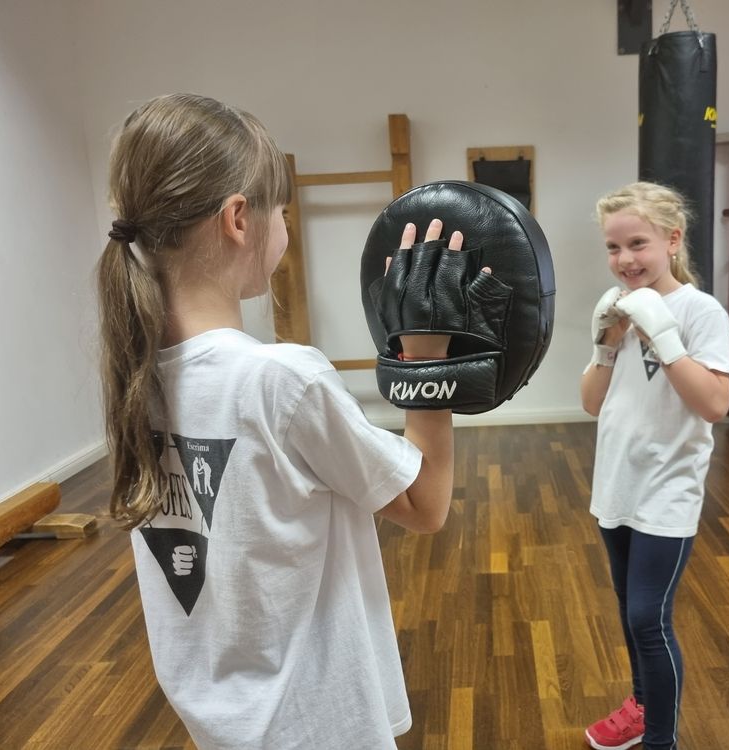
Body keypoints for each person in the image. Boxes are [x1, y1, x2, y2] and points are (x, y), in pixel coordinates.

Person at [96, 93, 460, 749]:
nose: (285, 224)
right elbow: (425, 503)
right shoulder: (281, 379)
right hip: (317, 724)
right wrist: (429, 356)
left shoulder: (136, 376)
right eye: (282, 210)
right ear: (239, 219)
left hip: (223, 724)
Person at [579, 182, 729, 750]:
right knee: (630, 613)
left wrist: (663, 336)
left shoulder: (700, 310)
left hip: (667, 490)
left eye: (637, 244)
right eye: (613, 247)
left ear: (672, 240)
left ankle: (660, 741)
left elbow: (714, 404)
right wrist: (606, 345)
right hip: (617, 484)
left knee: (649, 619)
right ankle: (643, 707)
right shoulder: (621, 309)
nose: (625, 259)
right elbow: (591, 403)